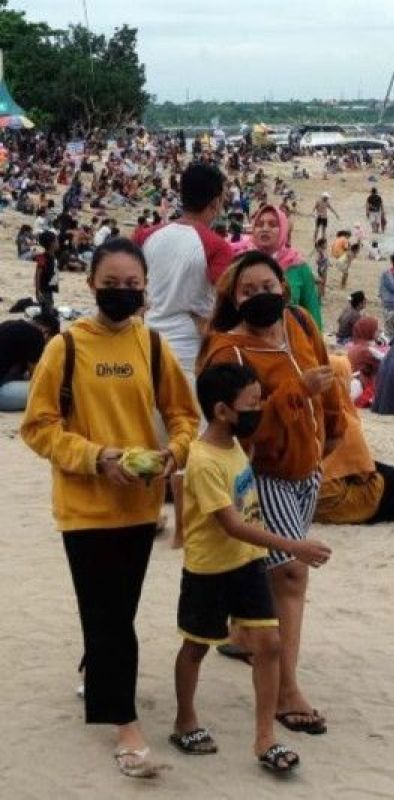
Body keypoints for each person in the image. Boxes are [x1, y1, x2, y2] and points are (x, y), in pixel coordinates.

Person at [21, 238, 200, 778]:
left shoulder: (152, 346)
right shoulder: (66, 348)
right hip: (83, 506)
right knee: (110, 617)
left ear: (146, 288)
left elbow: (184, 415)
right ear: (92, 283)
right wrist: (96, 458)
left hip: (140, 506)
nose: (122, 293)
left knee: (115, 609)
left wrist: (173, 454)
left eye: (133, 285)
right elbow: (38, 426)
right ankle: (125, 725)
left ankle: (96, 667)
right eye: (112, 284)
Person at [197, 251, 346, 736]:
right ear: (234, 299)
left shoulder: (298, 321)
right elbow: (240, 431)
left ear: (284, 286)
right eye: (250, 291)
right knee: (290, 574)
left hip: (308, 466)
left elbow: (325, 372)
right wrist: (295, 392)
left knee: (261, 569)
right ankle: (286, 690)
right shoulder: (229, 353)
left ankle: (244, 635)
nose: (262, 297)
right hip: (266, 473)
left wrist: (335, 425)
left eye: (269, 287)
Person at [175, 363, 331, 772]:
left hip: (248, 566)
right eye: (253, 403)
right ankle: (185, 720)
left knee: (270, 645)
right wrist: (294, 546)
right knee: (195, 647)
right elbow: (232, 524)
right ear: (223, 410)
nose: (259, 409)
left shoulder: (237, 446)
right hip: (210, 570)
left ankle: (265, 739)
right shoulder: (204, 459)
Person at [134, 162, 233, 374]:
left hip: (146, 342)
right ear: (216, 203)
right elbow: (228, 298)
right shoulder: (216, 246)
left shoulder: (145, 235)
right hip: (189, 351)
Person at [315, 356, 394, 524]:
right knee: (392, 480)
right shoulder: (343, 420)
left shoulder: (310, 409)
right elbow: (363, 474)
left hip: (301, 491)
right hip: (325, 498)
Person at [247, 205, 323, 331]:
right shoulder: (242, 263)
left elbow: (312, 314)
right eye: (259, 224)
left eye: (272, 225)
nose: (265, 229)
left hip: (290, 341)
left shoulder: (299, 268)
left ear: (283, 229)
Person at [0, 309, 60, 412]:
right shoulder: (36, 335)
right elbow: (38, 377)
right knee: (52, 391)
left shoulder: (9, 324)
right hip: (3, 395)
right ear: (46, 332)